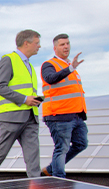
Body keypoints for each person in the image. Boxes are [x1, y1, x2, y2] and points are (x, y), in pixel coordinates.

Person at [0, 30, 43, 183]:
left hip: (30, 117)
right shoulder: (8, 60)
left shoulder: (29, 66)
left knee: (33, 158)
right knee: (1, 153)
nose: (39, 46)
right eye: (37, 43)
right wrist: (24, 99)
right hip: (12, 117)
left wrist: (33, 100)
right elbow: (0, 87)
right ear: (26, 43)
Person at [40, 34, 88, 178]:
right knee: (62, 148)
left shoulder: (69, 67)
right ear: (55, 48)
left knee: (81, 144)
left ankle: (50, 169)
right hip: (59, 115)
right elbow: (50, 78)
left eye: (67, 43)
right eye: (62, 44)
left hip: (76, 115)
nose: (66, 46)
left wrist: (71, 68)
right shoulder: (49, 64)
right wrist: (71, 68)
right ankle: (59, 180)